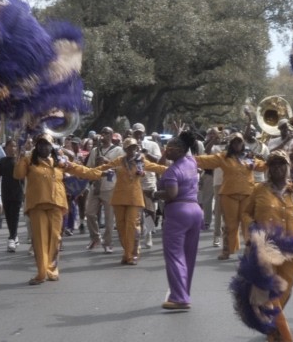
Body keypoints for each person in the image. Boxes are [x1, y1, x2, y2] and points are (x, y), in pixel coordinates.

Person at [232, 151, 293, 342]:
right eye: (273, 165)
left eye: (281, 164)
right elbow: (246, 213)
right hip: (264, 249)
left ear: (288, 167)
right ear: (268, 168)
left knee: (284, 292)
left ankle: (270, 323)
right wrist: (252, 228)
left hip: (292, 251)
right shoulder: (259, 189)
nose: (277, 169)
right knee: (267, 294)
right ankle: (277, 335)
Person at [14, 133, 106, 285]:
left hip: (56, 204)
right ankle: (41, 273)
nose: (44, 147)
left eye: (47, 144)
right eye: (41, 144)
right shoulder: (29, 160)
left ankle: (52, 270)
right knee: (40, 240)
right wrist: (21, 156)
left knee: (55, 238)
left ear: (52, 147)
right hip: (37, 205)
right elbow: (18, 175)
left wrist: (101, 173)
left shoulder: (59, 161)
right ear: (37, 146)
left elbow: (81, 170)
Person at [154, 129, 204, 309]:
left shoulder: (172, 171)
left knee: (175, 255)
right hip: (195, 211)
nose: (166, 150)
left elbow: (171, 194)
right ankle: (184, 293)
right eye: (166, 147)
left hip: (178, 212)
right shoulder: (191, 162)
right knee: (189, 256)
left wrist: (154, 194)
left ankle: (179, 298)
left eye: (170, 148)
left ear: (181, 150)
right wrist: (180, 135)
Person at [196, 134, 267, 260]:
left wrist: (272, 160)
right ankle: (227, 250)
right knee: (230, 224)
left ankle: (250, 251)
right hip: (229, 195)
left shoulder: (249, 157)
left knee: (248, 224)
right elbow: (206, 160)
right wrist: (187, 159)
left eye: (239, 142)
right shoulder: (223, 156)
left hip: (247, 194)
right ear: (231, 144)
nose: (237, 144)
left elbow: (263, 166)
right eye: (234, 142)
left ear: (243, 144)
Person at [105, 137, 167, 265]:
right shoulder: (119, 161)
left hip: (134, 197)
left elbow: (156, 167)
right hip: (119, 197)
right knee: (121, 227)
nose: (132, 150)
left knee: (132, 226)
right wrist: (89, 172)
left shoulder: (141, 160)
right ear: (125, 149)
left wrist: (175, 169)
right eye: (129, 148)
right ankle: (126, 253)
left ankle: (133, 254)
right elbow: (104, 168)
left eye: (134, 147)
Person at [83, 127, 123, 253]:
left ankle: (108, 242)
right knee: (89, 213)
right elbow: (89, 168)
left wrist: (107, 162)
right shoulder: (95, 150)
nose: (104, 135)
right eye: (103, 133)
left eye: (107, 133)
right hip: (96, 185)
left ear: (111, 135)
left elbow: (122, 168)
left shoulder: (118, 150)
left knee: (109, 217)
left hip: (109, 187)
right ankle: (95, 238)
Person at [0, 139, 24, 252]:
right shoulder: (3, 161)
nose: (12, 148)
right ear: (5, 148)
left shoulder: (20, 161)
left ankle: (11, 238)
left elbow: (25, 177)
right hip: (5, 191)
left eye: (14, 146)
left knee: (15, 215)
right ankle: (14, 235)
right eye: (10, 146)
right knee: (8, 216)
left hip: (18, 191)